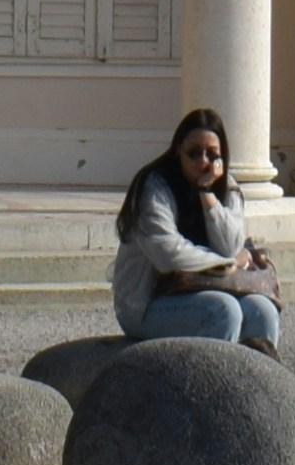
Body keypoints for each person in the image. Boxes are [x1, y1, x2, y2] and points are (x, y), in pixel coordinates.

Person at [115, 108, 281, 349]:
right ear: (177, 152)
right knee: (223, 311)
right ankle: (211, 384)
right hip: (146, 303)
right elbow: (168, 255)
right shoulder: (153, 188)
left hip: (209, 287)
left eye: (212, 154)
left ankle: (258, 385)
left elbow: (231, 245)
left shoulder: (227, 188)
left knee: (263, 310)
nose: (203, 162)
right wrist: (225, 264)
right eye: (194, 153)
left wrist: (207, 195)